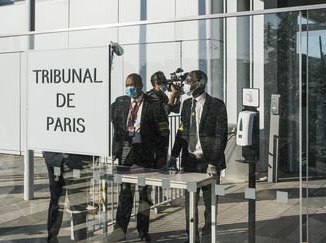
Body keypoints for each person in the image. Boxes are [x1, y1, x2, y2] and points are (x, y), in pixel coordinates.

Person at [106, 73, 169, 242]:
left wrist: (161, 157)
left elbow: (164, 132)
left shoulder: (154, 105)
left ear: (140, 85)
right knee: (125, 193)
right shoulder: (120, 102)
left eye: (132, 85)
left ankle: (143, 231)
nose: (129, 88)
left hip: (145, 153)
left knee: (144, 194)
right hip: (126, 152)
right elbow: (115, 121)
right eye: (127, 85)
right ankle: (119, 230)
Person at [168, 70, 227, 243]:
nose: (185, 83)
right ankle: (191, 238)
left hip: (209, 163)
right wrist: (173, 156)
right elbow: (182, 132)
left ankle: (208, 238)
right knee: (190, 205)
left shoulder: (217, 105)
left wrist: (213, 163)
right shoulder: (186, 104)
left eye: (188, 80)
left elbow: (220, 136)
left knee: (210, 205)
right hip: (190, 162)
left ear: (200, 83)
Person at [44, 151, 92, 242]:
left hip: (60, 158)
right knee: (74, 204)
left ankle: (53, 239)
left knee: (59, 202)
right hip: (69, 159)